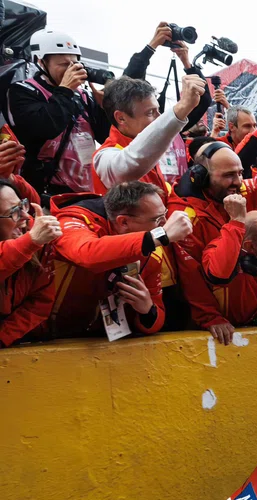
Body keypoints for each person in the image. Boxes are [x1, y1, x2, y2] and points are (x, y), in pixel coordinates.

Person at [48, 182, 193, 339]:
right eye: (157, 219)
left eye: (165, 214)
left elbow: (156, 322)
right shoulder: (72, 220)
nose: (166, 223)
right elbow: (87, 254)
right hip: (44, 333)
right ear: (123, 222)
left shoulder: (151, 252)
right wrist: (159, 236)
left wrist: (147, 309)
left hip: (97, 339)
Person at [7, 30, 111, 198]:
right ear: (41, 63)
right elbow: (45, 127)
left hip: (86, 189)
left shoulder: (82, 95)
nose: (71, 69)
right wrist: (65, 90)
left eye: (75, 63)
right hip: (45, 190)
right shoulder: (23, 91)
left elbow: (105, 137)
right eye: (63, 64)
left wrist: (105, 108)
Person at [178, 196, 257, 347]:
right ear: (250, 246)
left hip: (251, 323)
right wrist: (211, 318)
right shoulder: (217, 251)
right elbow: (210, 280)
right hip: (213, 332)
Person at [93, 75, 206, 197]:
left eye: (158, 110)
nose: (159, 117)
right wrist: (183, 106)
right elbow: (129, 163)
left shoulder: (151, 150)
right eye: (150, 112)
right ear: (121, 118)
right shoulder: (103, 157)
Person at [0, 181, 60, 347]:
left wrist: (3, 337)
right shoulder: (33, 240)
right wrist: (31, 242)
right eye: (13, 212)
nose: (25, 217)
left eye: (23, 206)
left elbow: (40, 302)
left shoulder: (39, 238)